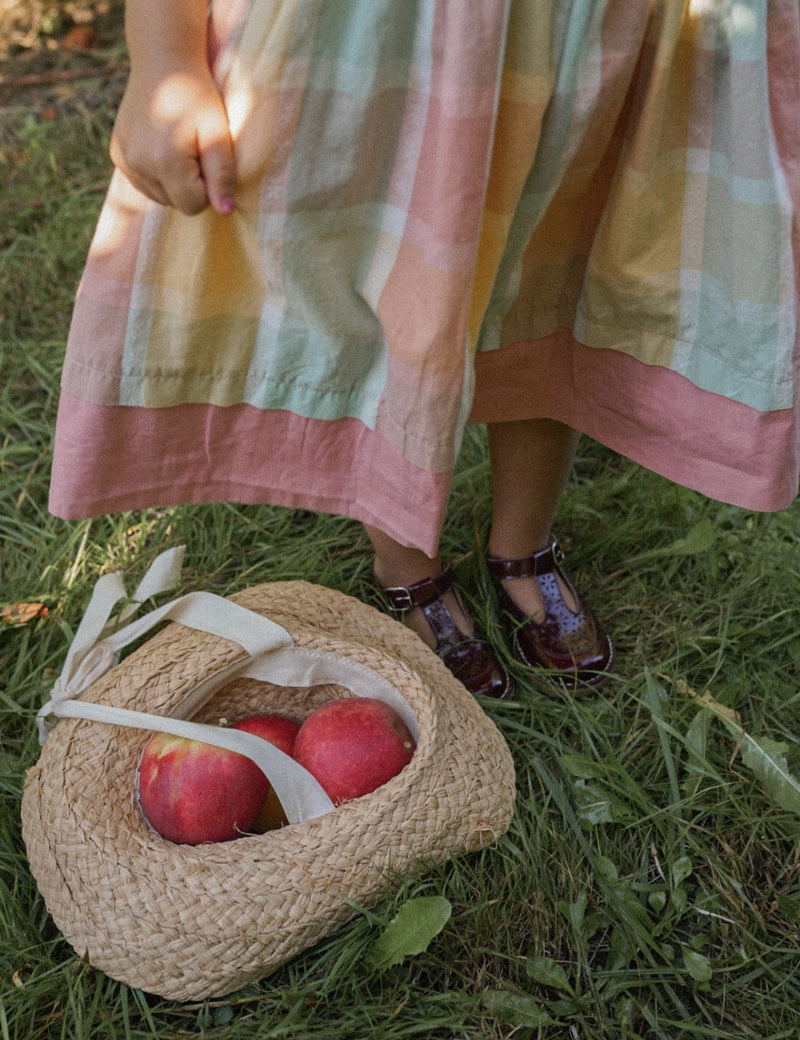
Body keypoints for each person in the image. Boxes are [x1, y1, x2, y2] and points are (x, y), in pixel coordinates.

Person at [49, 1, 800, 701]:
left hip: (572, 27)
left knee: (550, 256)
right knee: (379, 281)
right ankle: (407, 564)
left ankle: (523, 546)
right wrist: (165, 58)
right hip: (378, 40)